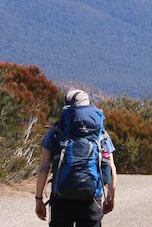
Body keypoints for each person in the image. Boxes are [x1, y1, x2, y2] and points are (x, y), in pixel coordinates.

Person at [35, 89, 117, 227]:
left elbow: (43, 168)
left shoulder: (55, 132)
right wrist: (110, 197)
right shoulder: (100, 134)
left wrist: (38, 200)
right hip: (91, 198)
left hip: (61, 198)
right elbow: (111, 168)